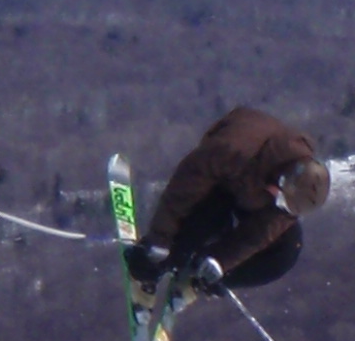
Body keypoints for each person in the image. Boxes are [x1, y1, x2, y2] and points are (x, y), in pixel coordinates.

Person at [125, 106, 330, 296]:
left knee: (286, 251)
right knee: (204, 221)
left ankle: (194, 281)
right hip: (221, 184)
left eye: (284, 205)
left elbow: (260, 233)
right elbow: (183, 190)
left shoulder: (292, 197)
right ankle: (149, 271)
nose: (278, 204)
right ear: (281, 179)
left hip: (249, 198)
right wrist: (160, 239)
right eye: (280, 198)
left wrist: (220, 262)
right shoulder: (233, 149)